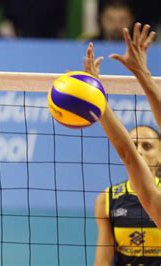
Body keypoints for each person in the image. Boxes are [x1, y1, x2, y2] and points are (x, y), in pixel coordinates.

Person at [83, 28, 161, 264]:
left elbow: (127, 153)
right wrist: (143, 75)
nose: (139, 151)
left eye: (148, 145)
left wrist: (98, 100)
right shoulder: (110, 199)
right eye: (136, 143)